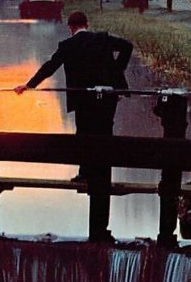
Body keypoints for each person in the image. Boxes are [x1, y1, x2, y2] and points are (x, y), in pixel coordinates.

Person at [14, 10, 133, 178]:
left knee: (84, 133)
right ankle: (103, 174)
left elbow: (49, 67)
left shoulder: (67, 45)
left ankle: (84, 174)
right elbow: (128, 47)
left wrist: (29, 85)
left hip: (82, 98)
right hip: (107, 95)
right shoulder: (103, 38)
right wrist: (116, 70)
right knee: (105, 131)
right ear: (86, 25)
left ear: (71, 27)